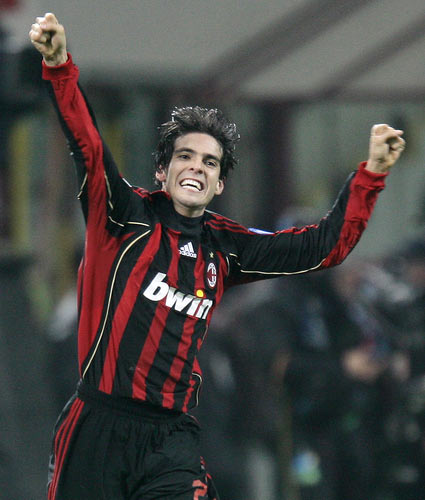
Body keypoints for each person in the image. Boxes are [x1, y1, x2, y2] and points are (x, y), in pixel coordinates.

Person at [29, 12, 406, 500]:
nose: (197, 167)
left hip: (170, 436)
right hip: (98, 424)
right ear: (162, 170)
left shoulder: (226, 247)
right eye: (185, 156)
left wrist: (370, 176)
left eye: (210, 162)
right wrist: (60, 67)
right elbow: (88, 147)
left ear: (220, 183)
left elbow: (321, 248)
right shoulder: (123, 217)